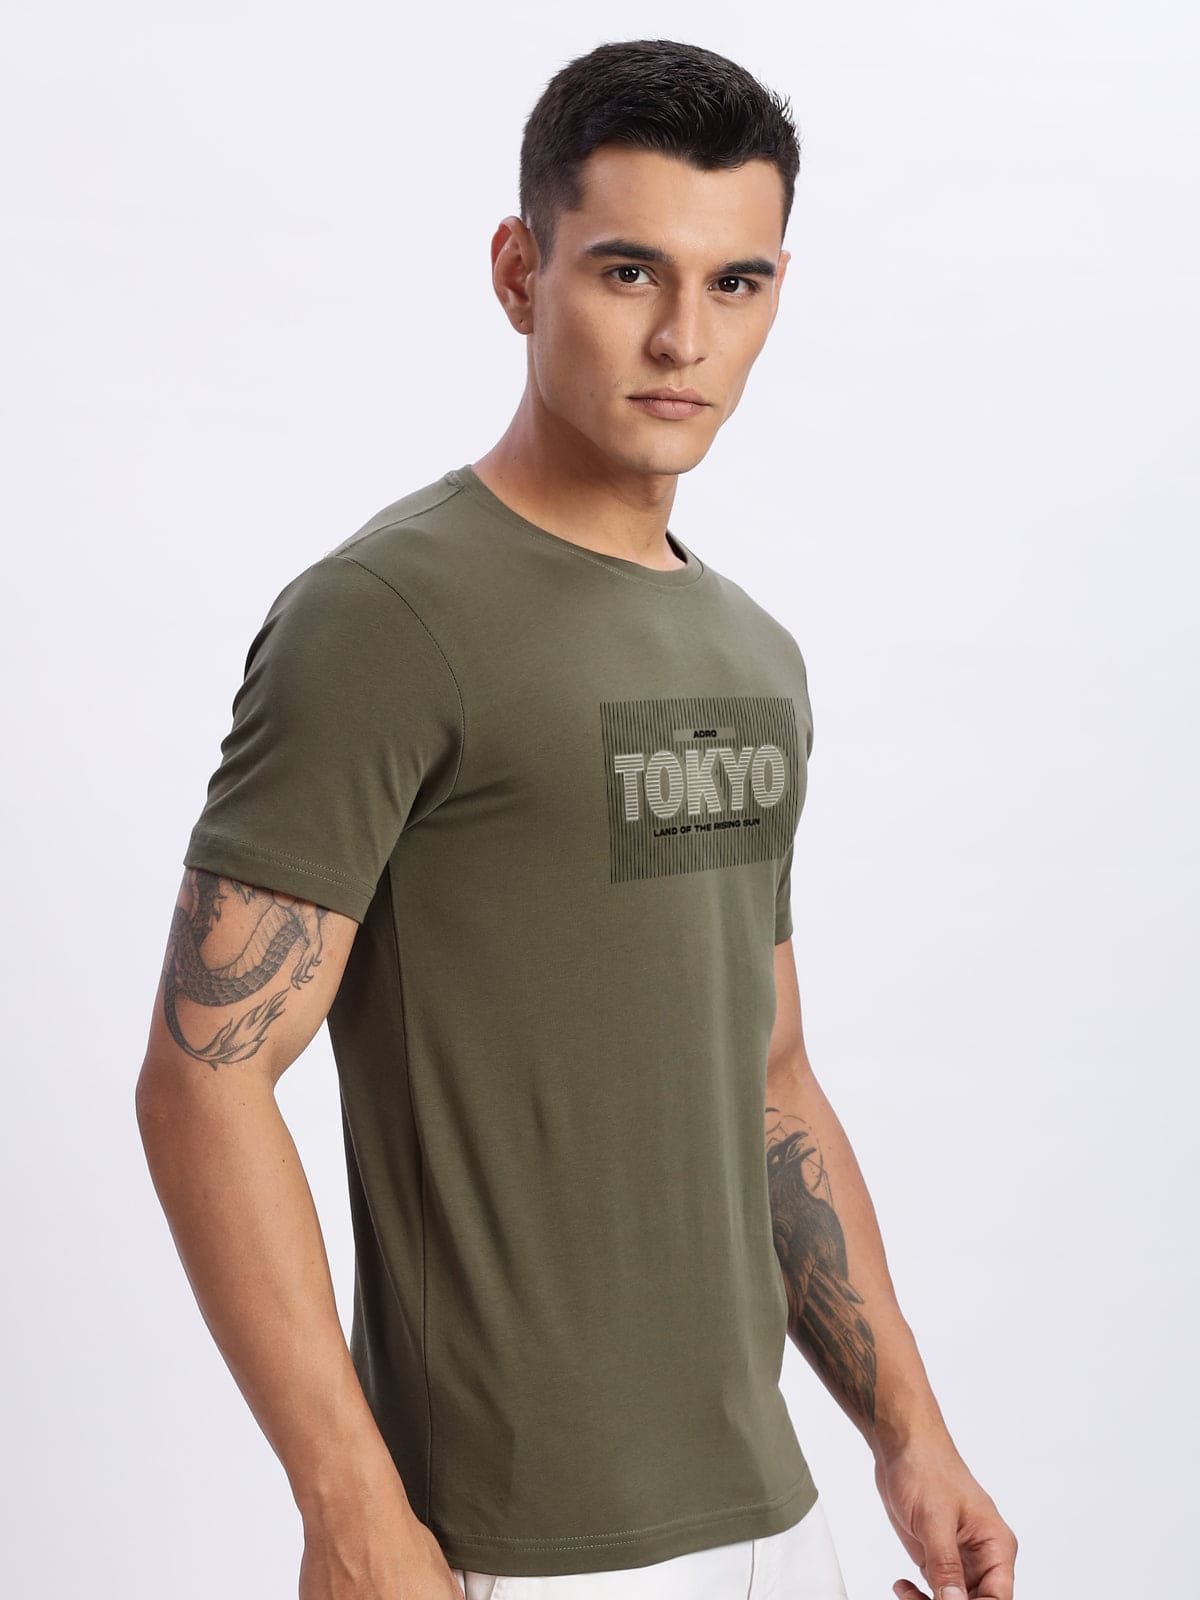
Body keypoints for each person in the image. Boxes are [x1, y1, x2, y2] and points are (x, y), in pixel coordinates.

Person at [135, 36, 1017, 1600]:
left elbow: (770, 1081)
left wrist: (910, 1437)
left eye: (735, 284)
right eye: (628, 272)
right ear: (517, 270)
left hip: (770, 1508)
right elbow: (204, 1078)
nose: (684, 337)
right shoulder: (387, 617)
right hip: (515, 1541)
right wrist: (350, 1508)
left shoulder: (753, 653)